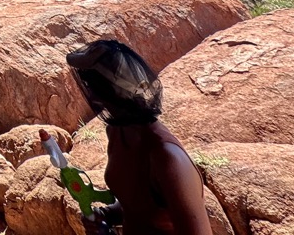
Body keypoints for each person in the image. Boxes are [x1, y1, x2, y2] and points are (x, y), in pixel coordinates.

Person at [66, 40, 211, 235]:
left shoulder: (166, 156)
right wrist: (107, 214)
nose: (90, 96)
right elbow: (137, 205)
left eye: (93, 87)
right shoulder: (118, 133)